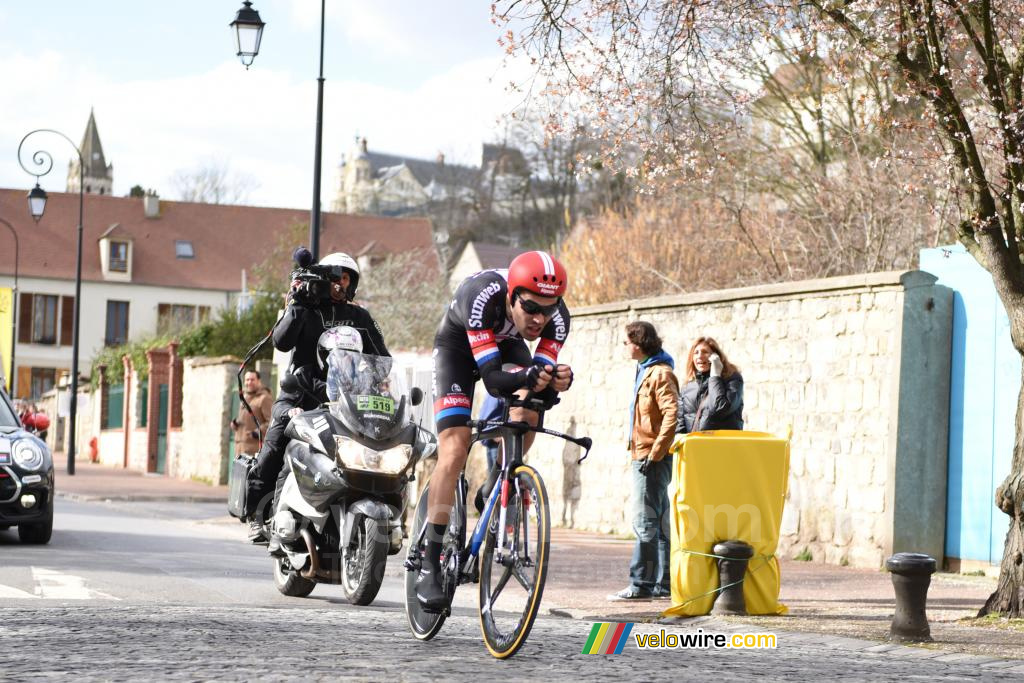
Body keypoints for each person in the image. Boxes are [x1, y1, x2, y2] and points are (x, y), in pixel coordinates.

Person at [416, 250, 574, 612]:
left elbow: (540, 387)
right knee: (455, 449)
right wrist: (531, 377)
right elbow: (492, 381)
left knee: (530, 406)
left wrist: (557, 382)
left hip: (503, 343)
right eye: (530, 307)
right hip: (457, 347)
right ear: (511, 295)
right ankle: (430, 562)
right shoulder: (482, 296)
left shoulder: (556, 318)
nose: (538, 318)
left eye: (547, 309)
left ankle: (501, 477)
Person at [243, 252, 390, 542]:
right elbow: (282, 342)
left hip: (346, 404)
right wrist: (297, 303)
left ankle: (380, 516)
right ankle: (258, 515)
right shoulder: (305, 309)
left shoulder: (360, 317)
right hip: (299, 398)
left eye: (346, 277)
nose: (340, 283)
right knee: (274, 446)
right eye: (335, 277)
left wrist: (378, 386)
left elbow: (383, 360)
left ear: (353, 283)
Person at [608, 321, 679, 601]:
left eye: (627, 342)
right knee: (658, 522)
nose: (625, 347)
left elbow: (672, 414)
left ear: (638, 343)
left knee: (645, 522)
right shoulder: (646, 370)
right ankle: (663, 585)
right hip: (646, 454)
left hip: (650, 457)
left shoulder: (660, 373)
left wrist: (655, 452)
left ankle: (641, 585)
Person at [675, 336, 744, 434]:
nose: (699, 356)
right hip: (694, 445)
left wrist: (715, 376)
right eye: (696, 352)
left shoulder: (732, 379)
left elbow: (721, 408)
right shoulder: (688, 385)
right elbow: (680, 422)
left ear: (716, 356)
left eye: (705, 352)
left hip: (720, 445)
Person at [231, 370, 273, 457]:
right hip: (240, 449)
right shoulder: (244, 398)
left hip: (254, 450)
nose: (249, 382)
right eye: (247, 380)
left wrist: (256, 433)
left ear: (259, 381)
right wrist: (235, 424)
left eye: (252, 379)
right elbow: (246, 420)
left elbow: (271, 422)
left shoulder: (264, 398)